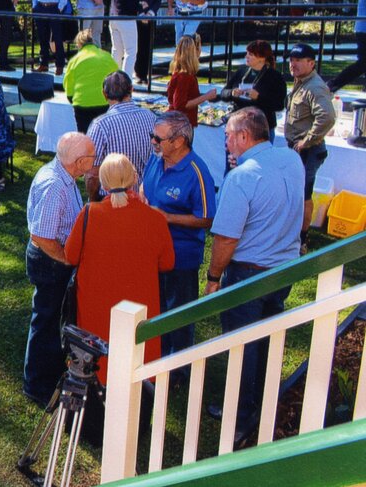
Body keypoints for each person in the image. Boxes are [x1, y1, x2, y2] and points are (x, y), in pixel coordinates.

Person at [205, 107, 304, 444]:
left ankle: (239, 414)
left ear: (244, 137)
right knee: (267, 337)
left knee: (241, 345)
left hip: (248, 273)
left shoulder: (242, 177)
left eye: (229, 136)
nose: (227, 142)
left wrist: (213, 277)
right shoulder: (291, 159)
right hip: (284, 268)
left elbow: (226, 238)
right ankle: (262, 402)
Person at [65, 153, 174, 384]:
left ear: (103, 183)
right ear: (134, 179)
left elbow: (70, 255)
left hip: (96, 306)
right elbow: (167, 263)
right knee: (138, 360)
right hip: (139, 307)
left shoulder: (88, 215)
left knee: (98, 363)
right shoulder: (155, 219)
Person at [22, 132, 96, 405]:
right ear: (78, 161)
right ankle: (37, 387)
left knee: (51, 319)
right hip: (50, 262)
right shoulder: (55, 185)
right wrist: (65, 258)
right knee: (46, 321)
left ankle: (47, 373)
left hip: (51, 260)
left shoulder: (63, 174)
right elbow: (41, 235)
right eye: (91, 157)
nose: (94, 160)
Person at [140, 111, 216, 373]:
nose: (153, 142)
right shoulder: (156, 158)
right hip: (152, 252)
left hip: (181, 255)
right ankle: (158, 356)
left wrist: (168, 218)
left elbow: (206, 219)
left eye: (158, 138)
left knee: (180, 312)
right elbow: (144, 186)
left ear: (179, 141)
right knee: (156, 306)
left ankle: (179, 368)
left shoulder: (197, 172)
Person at [284, 44, 336, 252]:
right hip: (297, 149)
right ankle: (293, 234)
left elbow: (328, 117)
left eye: (298, 60)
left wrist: (307, 140)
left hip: (307, 151)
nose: (293, 64)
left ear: (311, 63)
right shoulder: (301, 82)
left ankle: (301, 240)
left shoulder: (314, 86)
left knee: (304, 195)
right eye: (291, 60)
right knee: (297, 193)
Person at [86, 71, 156, 200]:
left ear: (104, 94)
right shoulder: (151, 117)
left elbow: (92, 175)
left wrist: (94, 202)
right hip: (145, 198)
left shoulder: (100, 125)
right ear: (131, 89)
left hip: (112, 201)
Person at [219, 40, 287, 142]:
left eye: (250, 54)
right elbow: (223, 93)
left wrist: (259, 97)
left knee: (259, 158)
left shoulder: (275, 77)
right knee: (232, 158)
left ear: (262, 58)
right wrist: (232, 93)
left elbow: (279, 105)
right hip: (238, 126)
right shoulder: (241, 71)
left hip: (261, 130)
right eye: (247, 53)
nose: (246, 56)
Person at [63, 30, 119, 132]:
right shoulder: (106, 56)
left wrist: (72, 99)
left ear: (79, 45)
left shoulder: (74, 60)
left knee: (84, 137)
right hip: (104, 102)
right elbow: (117, 77)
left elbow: (69, 86)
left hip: (82, 104)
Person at [166, 36, 217, 127]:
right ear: (194, 51)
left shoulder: (183, 74)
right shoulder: (184, 77)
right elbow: (180, 105)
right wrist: (206, 96)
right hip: (181, 125)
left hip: (180, 123)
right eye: (200, 47)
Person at [328, 0, 366, 91]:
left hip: (362, 28)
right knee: (363, 64)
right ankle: (334, 84)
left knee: (363, 64)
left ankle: (334, 84)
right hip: (364, 30)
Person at [110, 0, 143, 74]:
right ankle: (126, 81)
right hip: (127, 20)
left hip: (113, 18)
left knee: (116, 51)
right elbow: (133, 5)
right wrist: (141, 8)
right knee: (131, 51)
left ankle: (113, 78)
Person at [134, 0, 165, 83]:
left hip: (151, 18)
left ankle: (145, 74)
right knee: (138, 46)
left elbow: (157, 2)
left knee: (148, 47)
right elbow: (135, 0)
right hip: (139, 19)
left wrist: (150, 13)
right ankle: (138, 73)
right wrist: (141, 13)